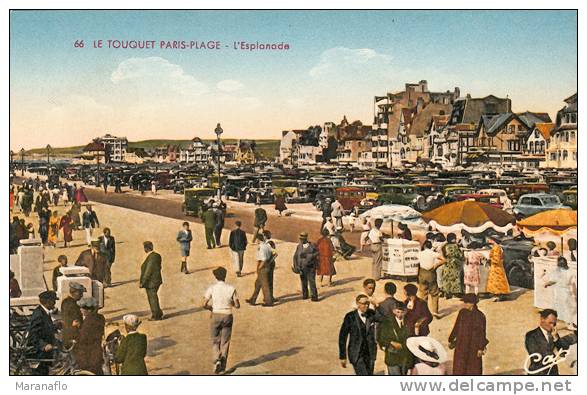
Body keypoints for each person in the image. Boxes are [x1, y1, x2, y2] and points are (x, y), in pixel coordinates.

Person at [204, 267, 240, 374]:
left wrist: (211, 308)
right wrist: (230, 304)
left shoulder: (212, 288)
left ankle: (217, 359)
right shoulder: (231, 288)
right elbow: (237, 305)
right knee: (225, 341)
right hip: (227, 315)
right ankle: (223, 365)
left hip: (215, 314)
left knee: (215, 340)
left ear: (215, 276)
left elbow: (203, 304)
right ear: (225, 276)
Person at [524, 309, 577, 375]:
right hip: (537, 372)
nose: (552, 326)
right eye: (550, 323)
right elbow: (536, 355)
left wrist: (556, 339)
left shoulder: (554, 334)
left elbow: (562, 352)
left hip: (553, 371)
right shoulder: (531, 335)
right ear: (542, 319)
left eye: (554, 324)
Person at [448, 293, 489, 375]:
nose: (464, 304)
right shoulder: (462, 313)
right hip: (461, 344)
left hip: (473, 345)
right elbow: (456, 326)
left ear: (472, 304)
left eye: (466, 302)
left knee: (473, 368)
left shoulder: (480, 316)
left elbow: (482, 333)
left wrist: (481, 348)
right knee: (459, 368)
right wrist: (451, 339)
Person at [338, 294, 377, 375]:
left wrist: (377, 305)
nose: (366, 306)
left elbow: (384, 319)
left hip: (370, 353)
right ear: (357, 304)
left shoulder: (372, 313)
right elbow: (343, 336)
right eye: (363, 303)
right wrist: (342, 356)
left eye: (367, 303)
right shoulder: (350, 316)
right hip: (356, 353)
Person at [377, 302, 413, 375]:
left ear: (405, 312)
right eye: (398, 312)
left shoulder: (409, 322)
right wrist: (391, 342)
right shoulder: (387, 323)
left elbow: (411, 338)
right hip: (392, 357)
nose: (400, 314)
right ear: (393, 311)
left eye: (402, 312)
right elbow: (381, 338)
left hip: (404, 357)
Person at [28, 290, 59, 375]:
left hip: (46, 352)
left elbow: (44, 328)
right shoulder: (39, 314)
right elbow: (33, 335)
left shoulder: (45, 312)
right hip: (39, 353)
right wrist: (44, 345)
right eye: (53, 300)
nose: (55, 303)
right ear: (48, 301)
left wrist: (55, 326)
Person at [73, 297, 105, 375]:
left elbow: (83, 339)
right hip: (97, 354)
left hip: (87, 357)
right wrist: (81, 326)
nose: (80, 310)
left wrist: (76, 329)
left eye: (82, 308)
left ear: (89, 310)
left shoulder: (88, 321)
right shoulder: (100, 318)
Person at [543, 257, 577, 325]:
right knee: (568, 306)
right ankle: (569, 322)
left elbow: (552, 281)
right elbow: (573, 282)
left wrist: (546, 284)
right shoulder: (571, 270)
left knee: (558, 306)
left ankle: (559, 322)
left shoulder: (557, 271)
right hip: (567, 290)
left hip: (558, 290)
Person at [418, 240, 444, 318]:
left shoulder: (420, 253)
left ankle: (423, 312)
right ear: (430, 246)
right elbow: (444, 259)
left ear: (424, 246)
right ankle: (435, 311)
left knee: (423, 294)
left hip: (422, 273)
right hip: (431, 273)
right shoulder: (433, 254)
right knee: (434, 293)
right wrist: (436, 266)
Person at [246, 232, 274, 306]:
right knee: (257, 284)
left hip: (263, 267)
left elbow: (263, 259)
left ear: (259, 239)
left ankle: (268, 302)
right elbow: (274, 253)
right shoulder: (267, 245)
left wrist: (259, 268)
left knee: (265, 285)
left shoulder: (261, 247)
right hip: (267, 266)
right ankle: (253, 299)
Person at [292, 231, 320, 302]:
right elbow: (295, 256)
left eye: (302, 239)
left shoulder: (312, 246)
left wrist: (308, 256)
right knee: (303, 281)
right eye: (300, 239)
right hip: (301, 267)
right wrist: (296, 266)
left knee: (312, 282)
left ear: (306, 239)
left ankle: (314, 296)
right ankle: (305, 295)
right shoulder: (299, 246)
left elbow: (317, 253)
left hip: (310, 267)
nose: (301, 240)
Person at [140, 241, 164, 320]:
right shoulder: (157, 255)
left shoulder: (151, 257)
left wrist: (143, 282)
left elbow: (148, 271)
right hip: (157, 280)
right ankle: (158, 312)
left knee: (152, 298)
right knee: (154, 297)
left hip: (151, 282)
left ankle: (156, 315)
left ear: (146, 248)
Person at [60, 282, 85, 348]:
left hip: (70, 333)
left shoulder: (68, 302)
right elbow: (69, 321)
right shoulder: (70, 304)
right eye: (80, 293)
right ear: (74, 293)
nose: (82, 295)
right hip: (71, 335)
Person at [486, 237, 510, 302]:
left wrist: (489, 259)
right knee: (497, 281)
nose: (488, 240)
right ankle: (498, 295)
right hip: (496, 266)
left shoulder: (497, 247)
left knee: (497, 281)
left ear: (494, 240)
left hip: (497, 267)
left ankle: (499, 295)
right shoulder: (496, 247)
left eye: (490, 239)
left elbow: (497, 259)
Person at [440, 233, 464, 299]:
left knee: (446, 278)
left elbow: (443, 254)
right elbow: (459, 255)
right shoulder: (455, 246)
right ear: (453, 239)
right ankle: (455, 294)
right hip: (454, 264)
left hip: (447, 263)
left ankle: (447, 293)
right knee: (455, 279)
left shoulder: (444, 246)